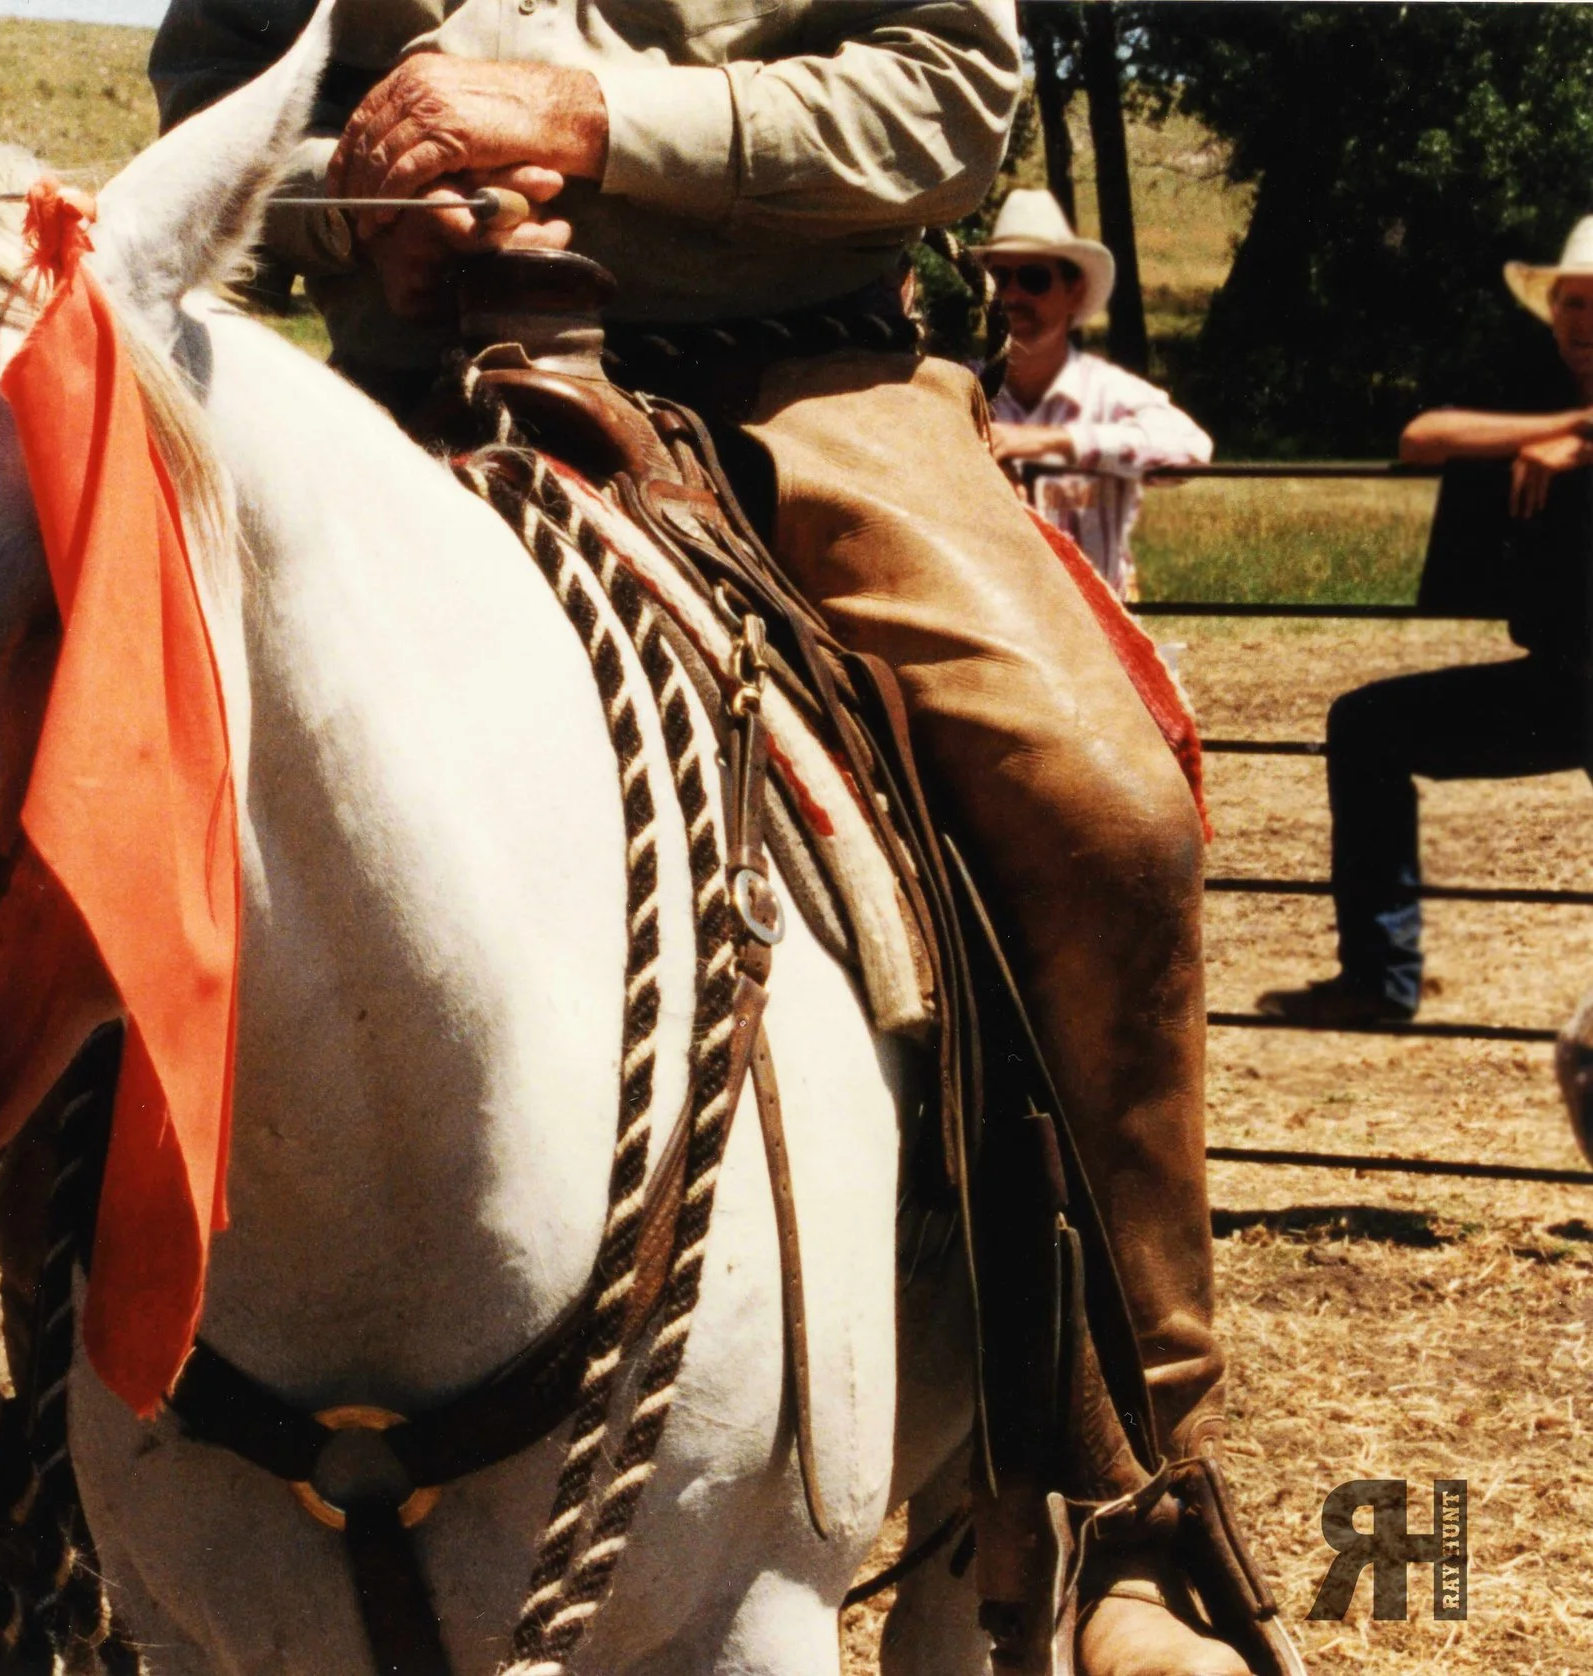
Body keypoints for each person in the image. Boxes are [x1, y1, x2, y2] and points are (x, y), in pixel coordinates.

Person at [150, 7, 1293, 1675]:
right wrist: (358, 202)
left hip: (805, 387)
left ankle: (1136, 1488)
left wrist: (589, 119)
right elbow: (217, 96)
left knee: (1101, 811)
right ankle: (9, 1441)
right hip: (410, 400)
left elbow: (957, 98)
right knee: (108, 774)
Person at [1257, 218, 1593, 1027]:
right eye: (1569, 304)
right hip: (1561, 682)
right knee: (1368, 725)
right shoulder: (1541, 398)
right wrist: (1570, 431)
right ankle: (1380, 978)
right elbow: (1421, 437)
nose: (1580, 323)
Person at [977, 188, 1213, 599]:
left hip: (1099, 634)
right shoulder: (960, 389)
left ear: (1074, 292)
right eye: (1000, 279)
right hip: (995, 631)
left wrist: (1055, 442)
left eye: (1034, 278)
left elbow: (1191, 450)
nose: (1012, 296)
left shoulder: (1109, 392)